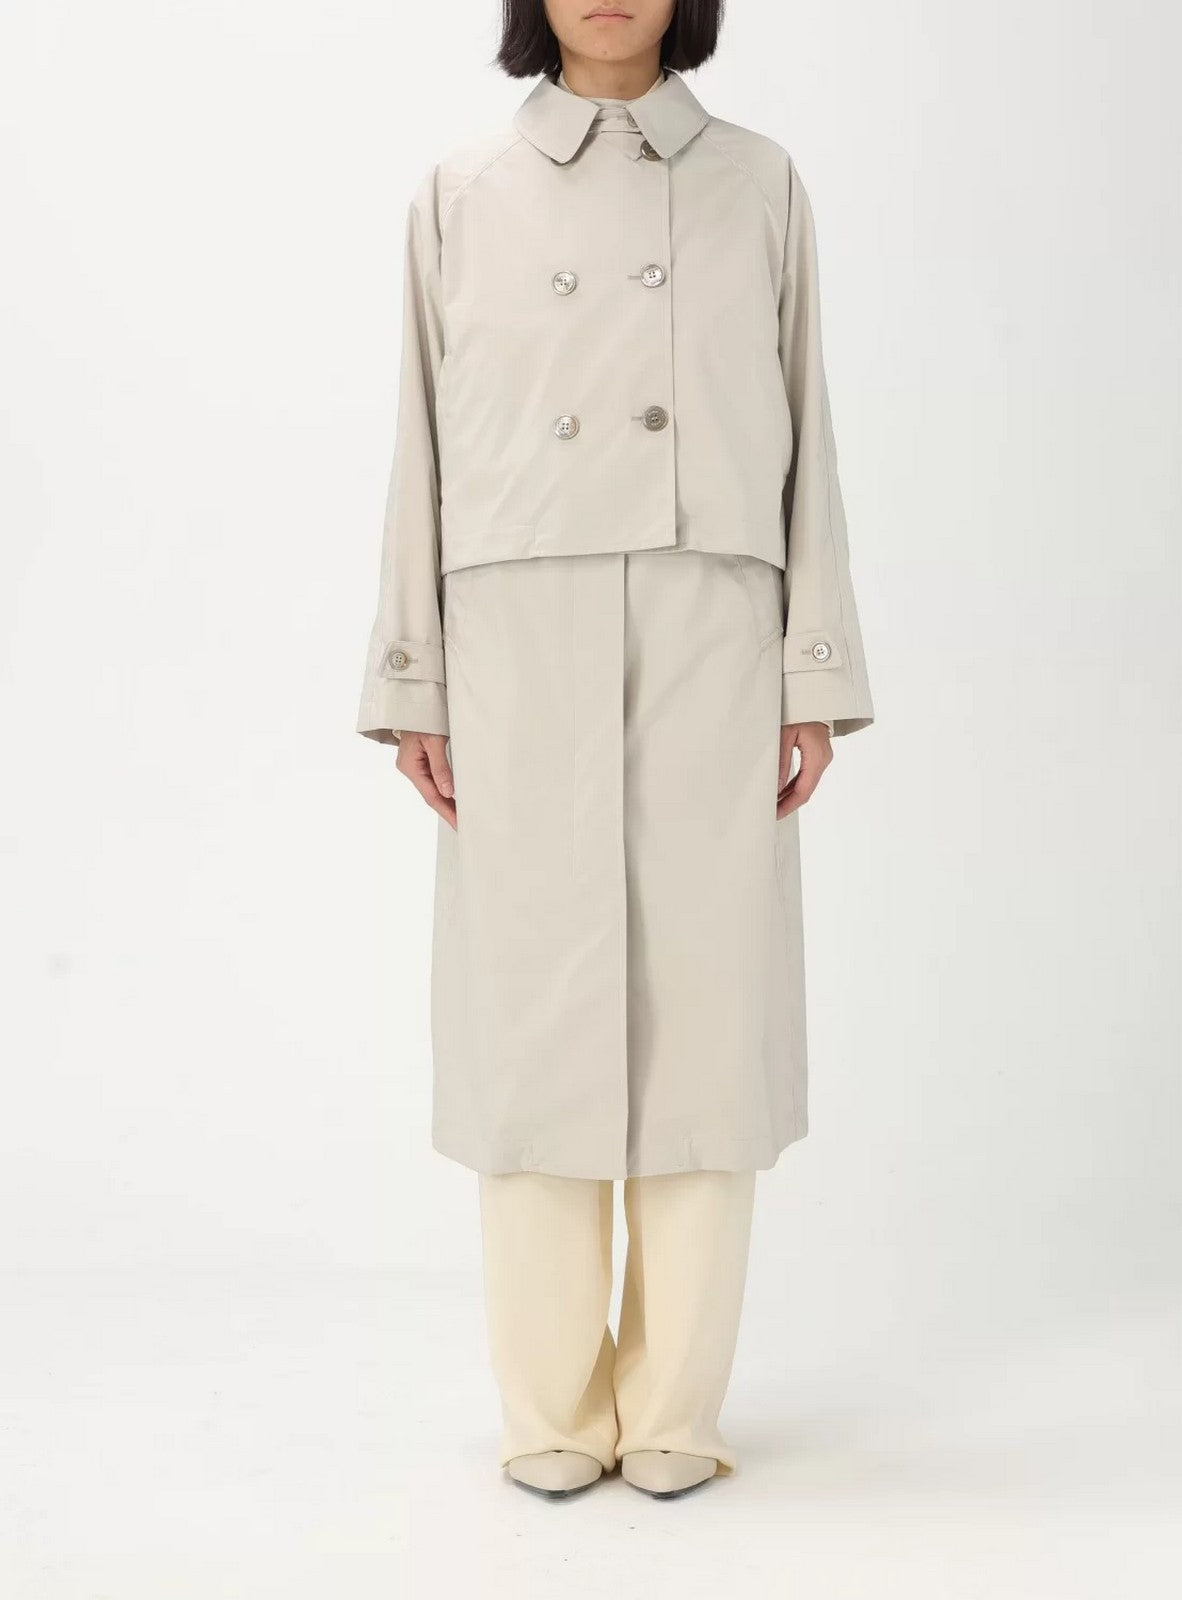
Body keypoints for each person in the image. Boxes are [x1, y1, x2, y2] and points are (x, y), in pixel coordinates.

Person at [356, 0, 874, 1500]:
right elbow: (419, 446)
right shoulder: (460, 194)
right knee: (533, 1020)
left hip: (712, 627)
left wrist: (813, 665)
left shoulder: (759, 182)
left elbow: (808, 427)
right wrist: (414, 678)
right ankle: (550, 1408)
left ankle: (676, 1407)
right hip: (518, 632)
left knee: (705, 1015)